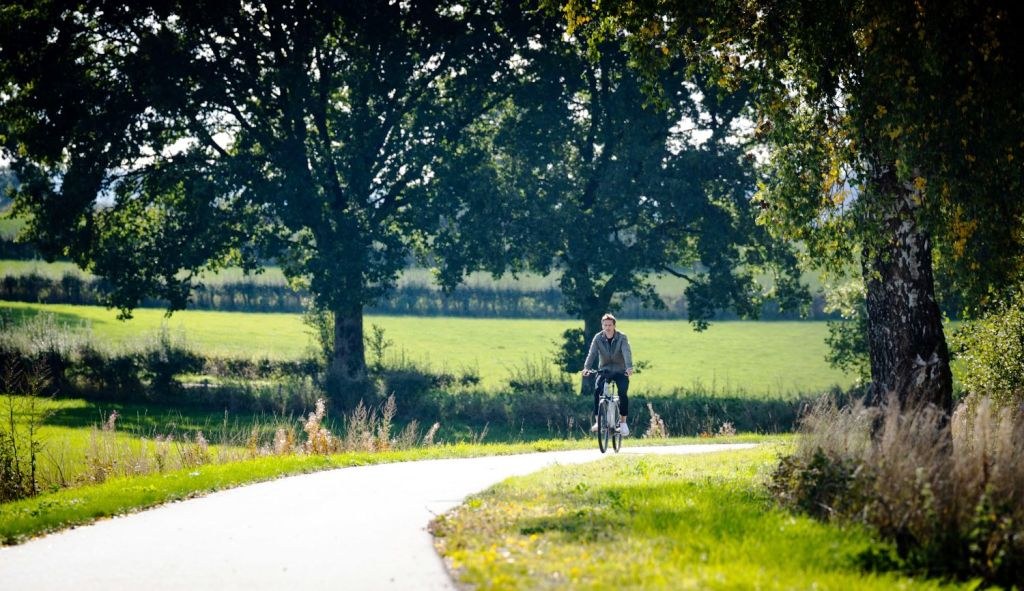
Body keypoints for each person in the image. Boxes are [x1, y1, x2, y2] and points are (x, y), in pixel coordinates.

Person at [581, 313, 633, 436]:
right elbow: (592, 353)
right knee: (597, 391)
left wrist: (629, 367)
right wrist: (586, 368)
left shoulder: (622, 337)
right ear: (602, 326)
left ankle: (623, 423)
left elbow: (626, 352)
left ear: (614, 326)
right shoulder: (598, 338)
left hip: (620, 370)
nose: (607, 327)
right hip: (604, 370)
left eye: (610, 325)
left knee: (622, 393)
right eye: (605, 325)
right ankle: (598, 421)